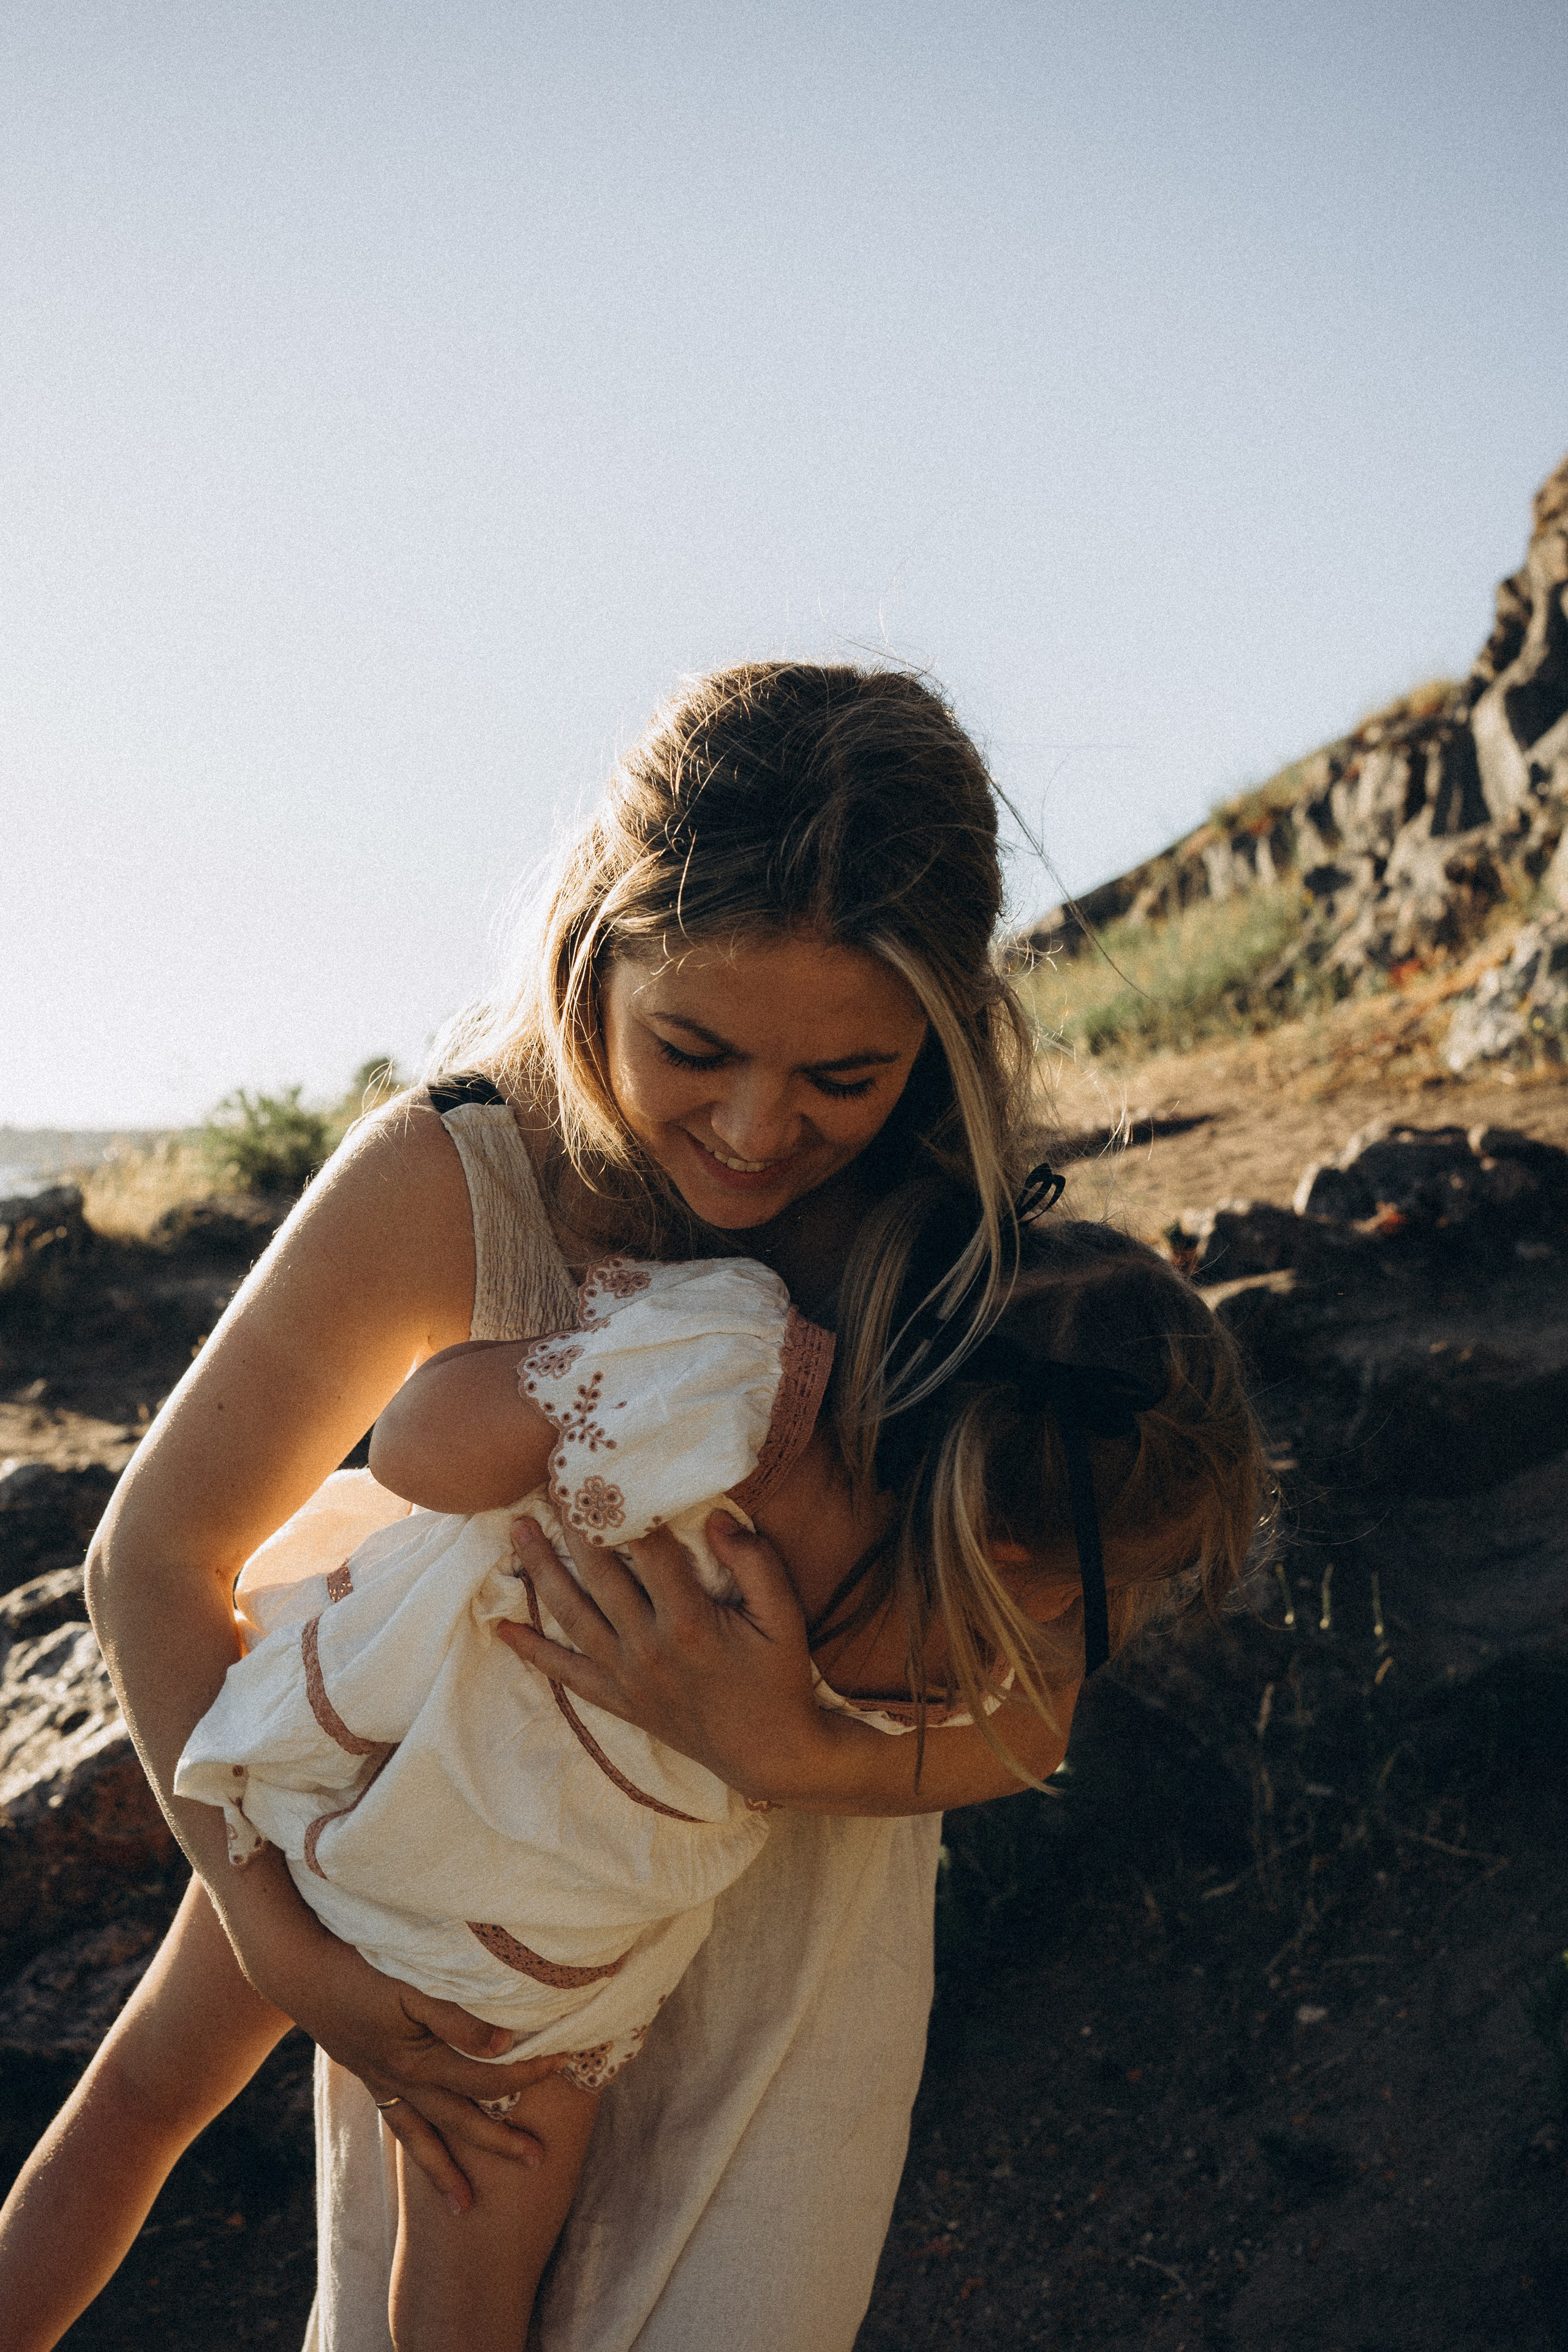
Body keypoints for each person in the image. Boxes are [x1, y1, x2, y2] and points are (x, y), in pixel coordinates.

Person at [0, 663, 1232, 2352]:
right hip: (443, 1862)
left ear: (938, 1046)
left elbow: (1041, 1699)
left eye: (843, 1079)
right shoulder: (460, 1176)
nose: (751, 1130)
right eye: (694, 1048)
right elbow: (151, 1555)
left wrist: (777, 1744)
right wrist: (278, 1942)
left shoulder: (951, 1268)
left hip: (794, 1927)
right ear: (598, 957)